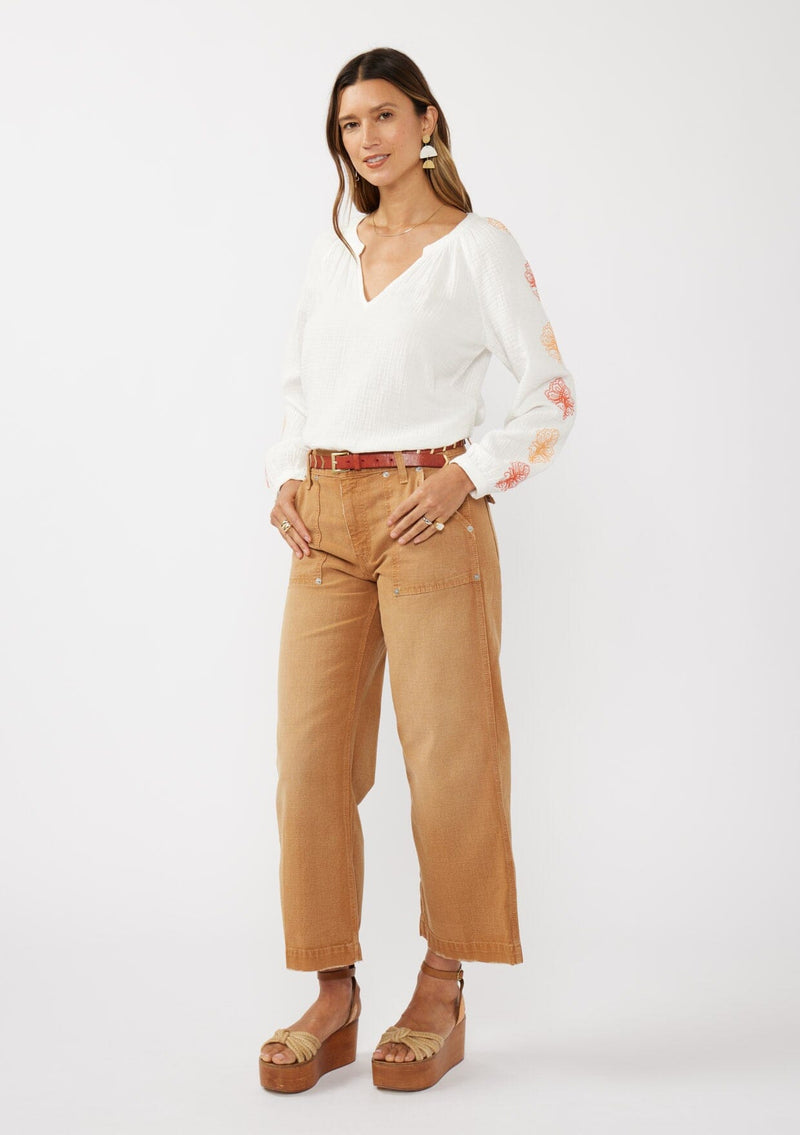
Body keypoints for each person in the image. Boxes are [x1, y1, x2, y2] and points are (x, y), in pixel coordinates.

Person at [258, 46, 577, 1094]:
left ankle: (441, 986)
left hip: (429, 513)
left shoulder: (474, 245)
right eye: (349, 123)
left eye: (385, 115)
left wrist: (464, 476)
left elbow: (548, 396)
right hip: (327, 520)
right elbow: (299, 382)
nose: (367, 138)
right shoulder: (331, 248)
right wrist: (284, 476)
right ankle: (334, 989)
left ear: (426, 121)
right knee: (309, 766)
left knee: (449, 759)